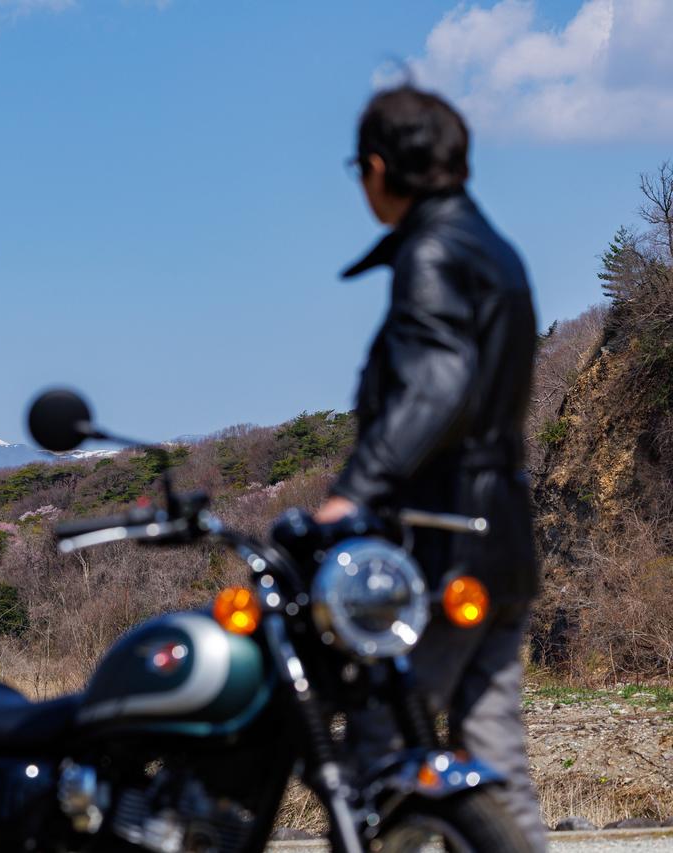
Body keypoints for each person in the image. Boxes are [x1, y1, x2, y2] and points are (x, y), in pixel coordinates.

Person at [313, 85, 545, 850]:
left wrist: (351, 493)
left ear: (379, 168)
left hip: (440, 544)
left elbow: (439, 384)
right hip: (504, 539)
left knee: (380, 757)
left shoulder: (432, 251)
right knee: (497, 769)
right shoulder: (497, 249)